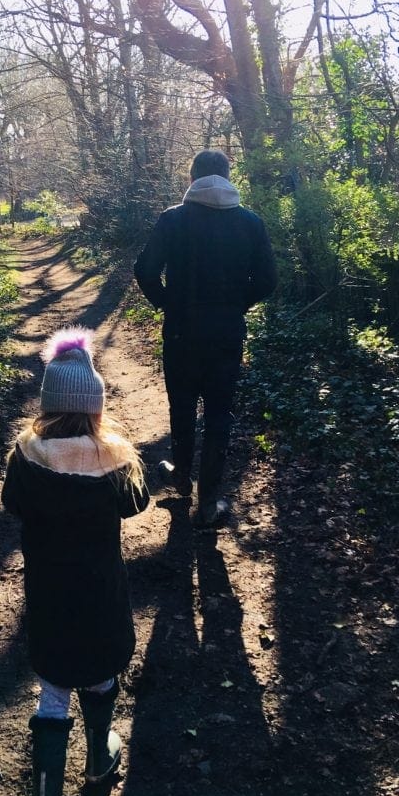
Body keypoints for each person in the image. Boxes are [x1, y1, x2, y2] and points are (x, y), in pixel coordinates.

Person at [2, 328, 149, 796]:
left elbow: (12, 504)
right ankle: (99, 759)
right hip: (102, 600)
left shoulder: (25, 457)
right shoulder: (115, 461)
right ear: (95, 408)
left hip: (48, 602)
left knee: (53, 693)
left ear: (47, 407)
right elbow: (139, 505)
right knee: (101, 670)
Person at [134, 149, 277, 527]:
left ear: (192, 179)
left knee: (181, 406)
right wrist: (235, 305)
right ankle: (209, 501)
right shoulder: (250, 222)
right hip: (227, 333)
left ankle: (181, 477)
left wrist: (167, 303)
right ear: (229, 177)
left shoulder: (173, 219)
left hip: (181, 331)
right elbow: (268, 281)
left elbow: (145, 270)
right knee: (218, 413)